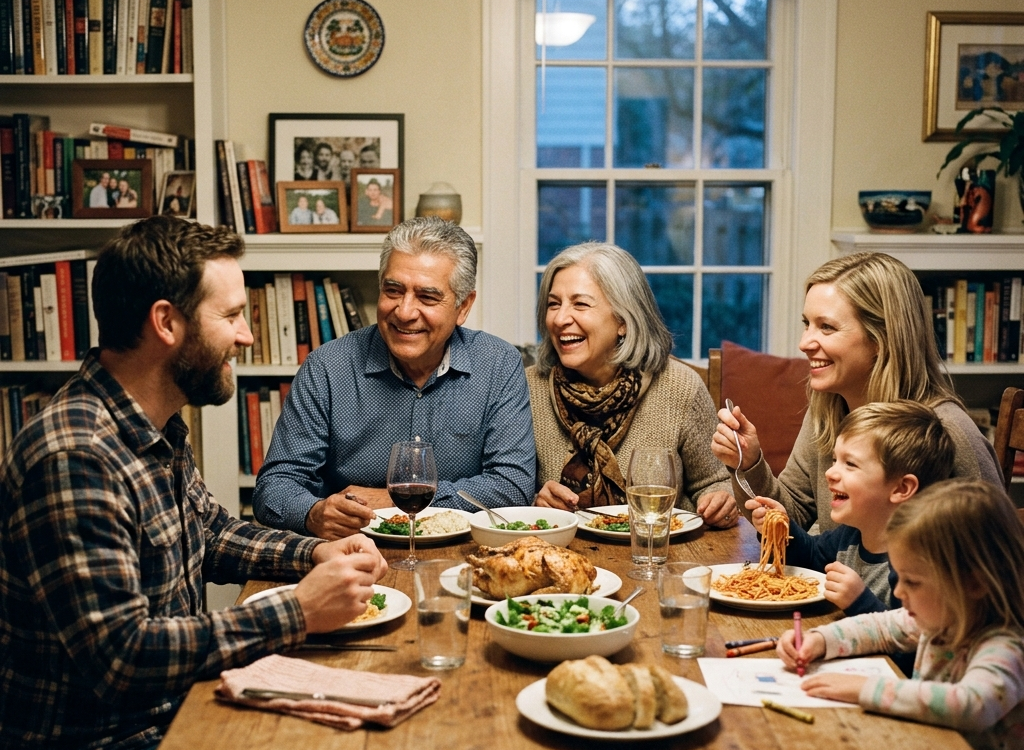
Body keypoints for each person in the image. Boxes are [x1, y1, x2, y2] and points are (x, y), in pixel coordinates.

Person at [0, 216, 395, 750]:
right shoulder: (76, 454)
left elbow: (210, 532)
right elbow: (122, 656)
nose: (246, 334)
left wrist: (317, 554)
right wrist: (298, 611)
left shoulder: (151, 424)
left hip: (170, 719)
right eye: (234, 315)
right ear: (166, 323)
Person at [779, 480, 1024, 750]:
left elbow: (972, 704)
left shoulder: (1005, 646)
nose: (897, 591)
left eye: (913, 581)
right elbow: (880, 628)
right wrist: (821, 641)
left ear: (975, 583)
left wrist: (862, 690)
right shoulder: (938, 617)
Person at [253, 217, 536, 537]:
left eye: (427, 297)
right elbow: (273, 489)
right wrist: (314, 512)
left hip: (463, 556)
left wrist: (395, 502)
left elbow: (512, 486)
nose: (404, 311)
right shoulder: (326, 367)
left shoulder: (498, 364)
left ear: (463, 307)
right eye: (393, 290)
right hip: (349, 553)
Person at [713, 251, 1002, 532]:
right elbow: (792, 516)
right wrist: (749, 463)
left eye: (826, 327)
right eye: (807, 324)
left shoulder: (949, 431)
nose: (805, 343)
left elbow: (998, 557)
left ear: (881, 339)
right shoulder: (827, 407)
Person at [528, 242, 737, 527]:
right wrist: (534, 504)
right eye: (554, 304)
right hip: (559, 559)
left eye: (580, 304)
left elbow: (715, 482)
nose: (561, 318)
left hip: (662, 558)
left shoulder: (680, 387)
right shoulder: (527, 388)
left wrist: (720, 499)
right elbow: (508, 493)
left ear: (623, 320)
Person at [750, 401, 954, 615]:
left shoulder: (916, 564)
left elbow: (912, 639)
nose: (830, 473)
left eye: (850, 464)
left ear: (901, 488)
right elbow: (811, 558)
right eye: (834, 459)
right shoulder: (850, 536)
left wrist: (859, 602)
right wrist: (781, 529)